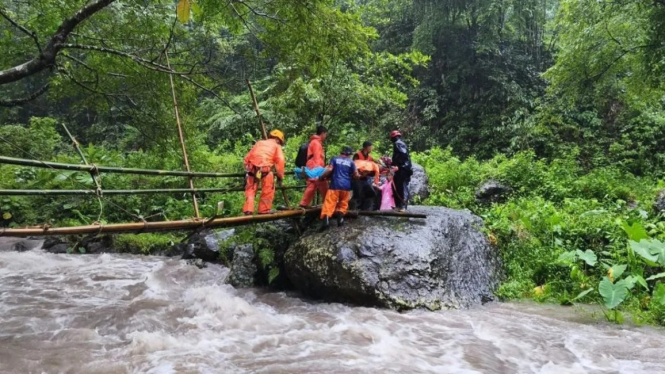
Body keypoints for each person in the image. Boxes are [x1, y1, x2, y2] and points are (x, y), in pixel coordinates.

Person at [242, 130, 286, 215]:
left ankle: (248, 209)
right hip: (265, 169)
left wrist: (248, 169)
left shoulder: (259, 143)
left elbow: (247, 158)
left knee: (250, 190)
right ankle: (264, 210)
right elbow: (280, 161)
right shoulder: (277, 146)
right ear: (279, 140)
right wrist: (280, 176)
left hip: (252, 169)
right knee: (268, 190)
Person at [317, 146, 359, 231]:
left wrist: (321, 177)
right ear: (349, 154)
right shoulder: (351, 162)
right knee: (343, 203)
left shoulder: (335, 159)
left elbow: (329, 169)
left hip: (335, 185)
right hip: (346, 186)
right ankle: (340, 220)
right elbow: (356, 175)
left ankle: (326, 222)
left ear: (342, 152)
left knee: (329, 203)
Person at [299, 125, 329, 208]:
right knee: (314, 184)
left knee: (316, 185)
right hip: (315, 166)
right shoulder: (316, 143)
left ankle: (304, 203)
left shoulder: (315, 142)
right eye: (325, 134)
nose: (325, 136)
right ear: (322, 133)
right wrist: (318, 171)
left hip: (314, 166)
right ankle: (327, 202)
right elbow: (316, 157)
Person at [390, 130, 413, 212]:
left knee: (402, 186)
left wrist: (398, 166)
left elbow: (403, 156)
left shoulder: (398, 143)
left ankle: (403, 205)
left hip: (403, 169)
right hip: (402, 168)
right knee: (396, 186)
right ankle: (399, 205)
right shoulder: (398, 143)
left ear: (394, 137)